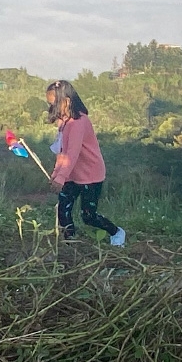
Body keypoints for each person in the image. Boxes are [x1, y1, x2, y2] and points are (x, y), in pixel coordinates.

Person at [46, 79, 125, 246]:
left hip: (90, 174)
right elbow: (62, 152)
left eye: (54, 104)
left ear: (66, 101)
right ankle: (70, 244)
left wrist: (60, 178)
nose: (52, 108)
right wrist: (56, 175)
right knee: (63, 210)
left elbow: (72, 154)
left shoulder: (79, 123)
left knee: (88, 216)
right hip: (71, 174)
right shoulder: (64, 122)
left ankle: (116, 232)